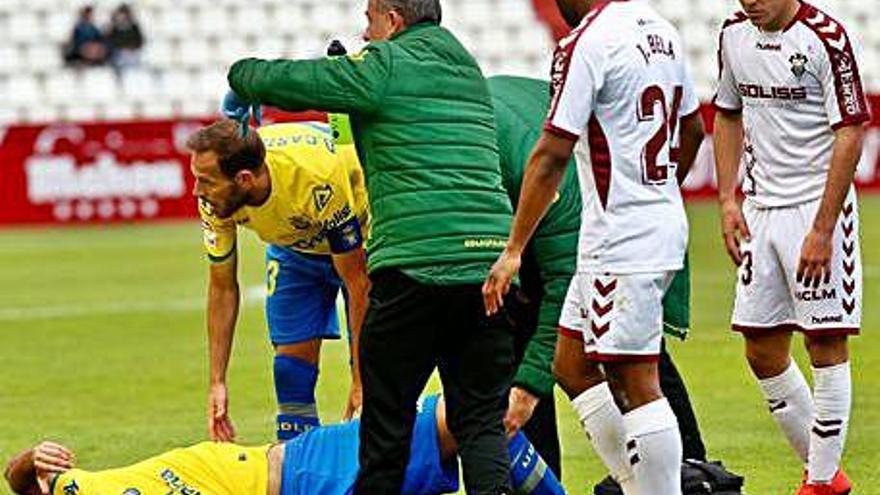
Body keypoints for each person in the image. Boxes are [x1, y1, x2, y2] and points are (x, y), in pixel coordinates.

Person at [223, 1, 518, 493]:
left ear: (394, 21)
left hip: (415, 267)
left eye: (369, 19)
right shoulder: (466, 67)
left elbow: (300, 82)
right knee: (480, 424)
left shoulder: (385, 64)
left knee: (386, 428)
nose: (364, 32)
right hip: (489, 268)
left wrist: (240, 79)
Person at [483, 0, 704, 493]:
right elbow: (692, 128)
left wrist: (515, 247)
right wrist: (661, 189)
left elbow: (551, 152)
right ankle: (633, 483)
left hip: (621, 235)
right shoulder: (660, 29)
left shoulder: (585, 43)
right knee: (572, 363)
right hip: (645, 223)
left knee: (637, 380)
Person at [713, 0, 869, 493]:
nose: (748, 2)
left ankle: (819, 482)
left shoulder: (827, 38)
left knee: (824, 341)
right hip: (759, 211)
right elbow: (727, 114)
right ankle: (828, 473)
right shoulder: (734, 34)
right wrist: (726, 199)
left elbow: (849, 132)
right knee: (761, 347)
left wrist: (823, 228)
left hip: (815, 207)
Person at [188, 120, 371, 442]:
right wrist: (217, 381)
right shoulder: (215, 201)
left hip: (363, 243)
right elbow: (222, 287)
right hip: (295, 250)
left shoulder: (316, 179)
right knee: (290, 371)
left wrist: (361, 380)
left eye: (206, 181)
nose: (197, 191)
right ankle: (300, 470)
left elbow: (358, 284)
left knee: (376, 376)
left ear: (244, 179)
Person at [3, 396, 564, 495]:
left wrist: (34, 458)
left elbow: (21, 478)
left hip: (302, 462)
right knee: (478, 411)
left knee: (478, 411)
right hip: (306, 480)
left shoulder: (81, 490)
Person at [105, 4, 145, 74]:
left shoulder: (134, 27)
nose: (124, 17)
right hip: (118, 54)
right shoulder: (113, 28)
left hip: (132, 54)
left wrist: (132, 47)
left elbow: (139, 41)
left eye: (126, 14)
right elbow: (109, 41)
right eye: (121, 15)